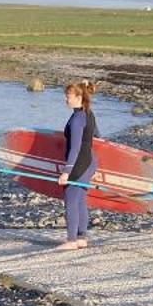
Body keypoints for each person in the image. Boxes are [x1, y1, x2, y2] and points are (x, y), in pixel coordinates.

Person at [56, 79, 98, 252]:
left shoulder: (77, 119)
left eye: (68, 96)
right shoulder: (88, 113)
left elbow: (75, 147)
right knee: (80, 199)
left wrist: (66, 172)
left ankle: (72, 240)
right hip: (89, 162)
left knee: (71, 200)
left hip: (79, 164)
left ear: (79, 97)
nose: (66, 99)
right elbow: (96, 135)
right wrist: (93, 166)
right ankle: (82, 237)